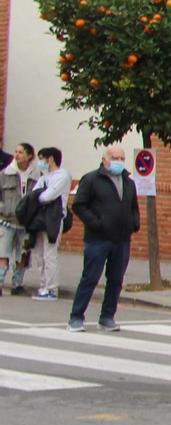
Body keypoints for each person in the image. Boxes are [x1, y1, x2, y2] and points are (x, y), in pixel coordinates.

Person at [66, 144, 138, 332]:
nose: (119, 162)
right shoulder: (91, 179)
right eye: (115, 158)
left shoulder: (128, 182)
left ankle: (107, 317)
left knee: (116, 280)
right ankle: (76, 317)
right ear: (104, 159)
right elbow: (79, 205)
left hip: (122, 239)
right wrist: (97, 223)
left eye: (122, 158)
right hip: (98, 239)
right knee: (90, 277)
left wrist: (134, 223)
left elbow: (133, 207)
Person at [26, 147, 70, 300]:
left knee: (50, 253)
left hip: (54, 219)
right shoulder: (44, 176)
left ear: (50, 159)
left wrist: (38, 197)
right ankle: (43, 286)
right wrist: (37, 196)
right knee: (39, 254)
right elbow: (34, 193)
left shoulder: (62, 175)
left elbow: (47, 196)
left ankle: (51, 289)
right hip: (40, 220)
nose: (41, 162)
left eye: (42, 158)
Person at [2, 142, 33, 294]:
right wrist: (3, 209)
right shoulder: (5, 174)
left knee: (23, 254)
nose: (17, 155)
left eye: (21, 152)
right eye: (16, 151)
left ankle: (17, 284)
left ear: (29, 156)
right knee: (2, 253)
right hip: (6, 221)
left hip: (26, 223)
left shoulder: (35, 176)